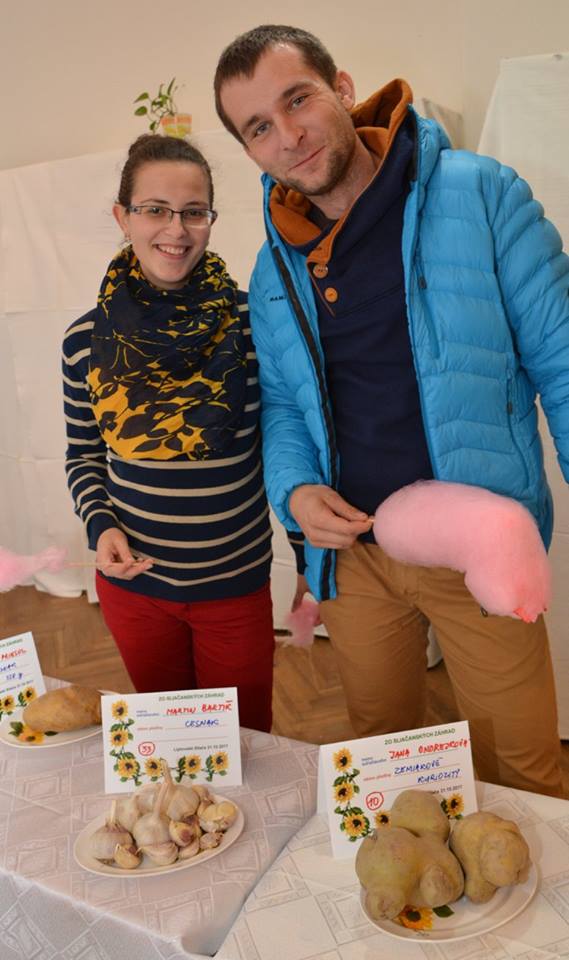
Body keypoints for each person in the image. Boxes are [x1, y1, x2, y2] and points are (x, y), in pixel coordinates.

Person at [214, 24, 569, 795]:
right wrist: (294, 491)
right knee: (385, 755)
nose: (288, 136)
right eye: (258, 128)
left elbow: (561, 356)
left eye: (297, 100)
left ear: (342, 89)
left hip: (478, 543)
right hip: (353, 558)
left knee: (522, 769)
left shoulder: (480, 193)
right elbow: (282, 404)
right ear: (248, 151)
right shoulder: (273, 268)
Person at [62, 133, 299, 732]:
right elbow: (83, 453)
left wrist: (306, 557)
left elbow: (287, 442)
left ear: (211, 220)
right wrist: (101, 526)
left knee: (244, 740)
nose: (176, 229)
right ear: (123, 217)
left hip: (235, 587)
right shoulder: (85, 341)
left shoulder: (252, 324)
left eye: (194, 212)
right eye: (155, 209)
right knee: (166, 739)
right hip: (135, 588)